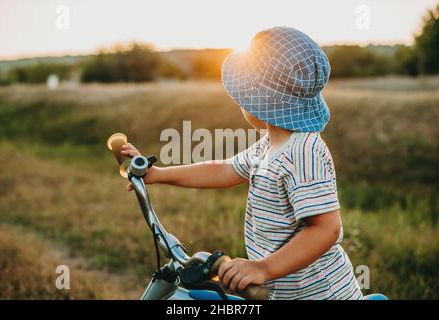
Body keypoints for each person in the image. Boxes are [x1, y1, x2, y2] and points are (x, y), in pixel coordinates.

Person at [122, 27, 362, 300]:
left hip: (320, 295)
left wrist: (264, 268)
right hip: (281, 292)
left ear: (263, 103)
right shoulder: (268, 144)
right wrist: (159, 174)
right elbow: (224, 170)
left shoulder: (304, 150)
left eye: (246, 96)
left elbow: (325, 228)